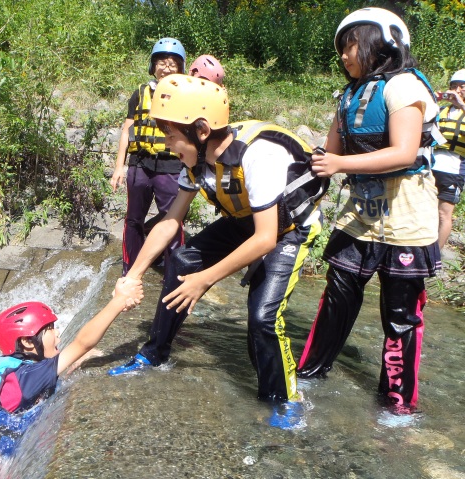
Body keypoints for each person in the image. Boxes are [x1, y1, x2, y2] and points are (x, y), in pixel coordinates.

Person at [107, 73, 324, 416]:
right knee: (180, 261)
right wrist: (132, 275)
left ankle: (284, 400)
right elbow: (169, 222)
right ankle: (154, 352)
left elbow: (266, 238)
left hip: (288, 230)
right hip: (245, 220)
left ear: (202, 131)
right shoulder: (195, 161)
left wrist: (205, 279)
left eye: (171, 134)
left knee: (263, 317)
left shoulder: (257, 155)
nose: (166, 144)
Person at [296, 8, 442, 414]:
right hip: (360, 216)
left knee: (399, 316)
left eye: (352, 46)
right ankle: (310, 374)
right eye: (341, 48)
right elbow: (331, 154)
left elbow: (404, 152)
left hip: (407, 219)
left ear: (384, 45)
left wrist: (339, 165)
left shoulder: (404, 87)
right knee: (338, 297)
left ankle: (397, 405)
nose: (344, 56)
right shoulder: (349, 96)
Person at [0, 278, 143, 479]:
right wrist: (118, 302)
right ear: (26, 342)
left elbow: (53, 372)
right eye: (50, 329)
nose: (57, 333)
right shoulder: (27, 377)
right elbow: (82, 343)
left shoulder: (12, 367)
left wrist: (77, 359)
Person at [111, 37, 186, 275]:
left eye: (173, 62)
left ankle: (173, 270)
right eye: (161, 61)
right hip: (140, 165)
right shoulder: (140, 93)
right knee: (133, 219)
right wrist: (118, 167)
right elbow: (127, 130)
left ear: (181, 68)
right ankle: (129, 268)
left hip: (170, 165)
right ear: (153, 66)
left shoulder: (186, 94)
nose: (166, 66)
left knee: (171, 218)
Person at [432, 69, 465, 249]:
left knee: (444, 214)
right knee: (426, 211)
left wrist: (461, 105)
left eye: (462, 87)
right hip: (431, 165)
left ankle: (435, 255)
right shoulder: (442, 110)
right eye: (454, 86)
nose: (457, 90)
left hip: (454, 168)